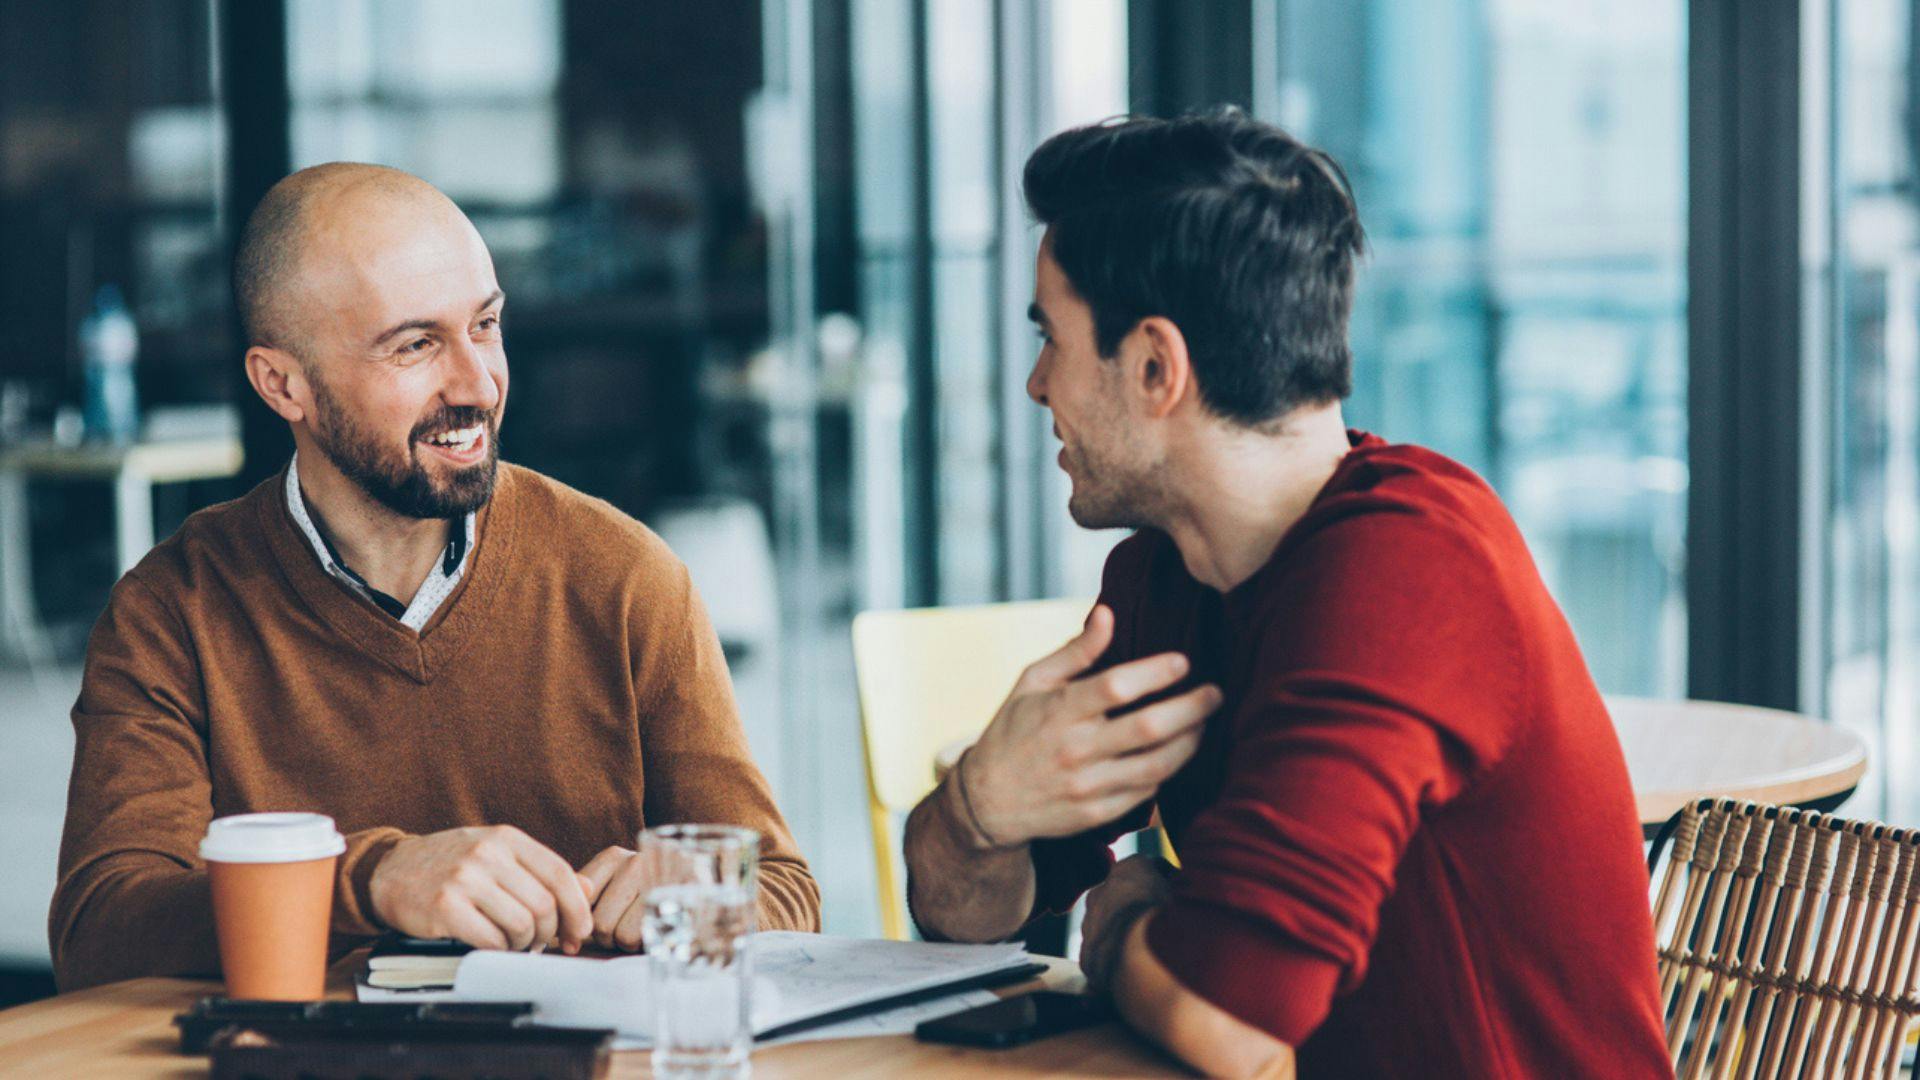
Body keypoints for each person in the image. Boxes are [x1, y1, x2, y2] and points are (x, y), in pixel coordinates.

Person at [901, 110, 1670, 1078]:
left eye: (1051, 338)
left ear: (1153, 367)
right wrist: (977, 811)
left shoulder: (1411, 572)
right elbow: (966, 920)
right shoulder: (1161, 573)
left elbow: (1231, 1019)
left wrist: (1128, 920)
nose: (1035, 383)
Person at [49, 163, 818, 991]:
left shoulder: (627, 578)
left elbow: (781, 891)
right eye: (415, 345)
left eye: (485, 325)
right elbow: (103, 930)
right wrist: (370, 882)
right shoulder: (173, 611)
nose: (479, 384)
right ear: (283, 384)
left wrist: (695, 891)